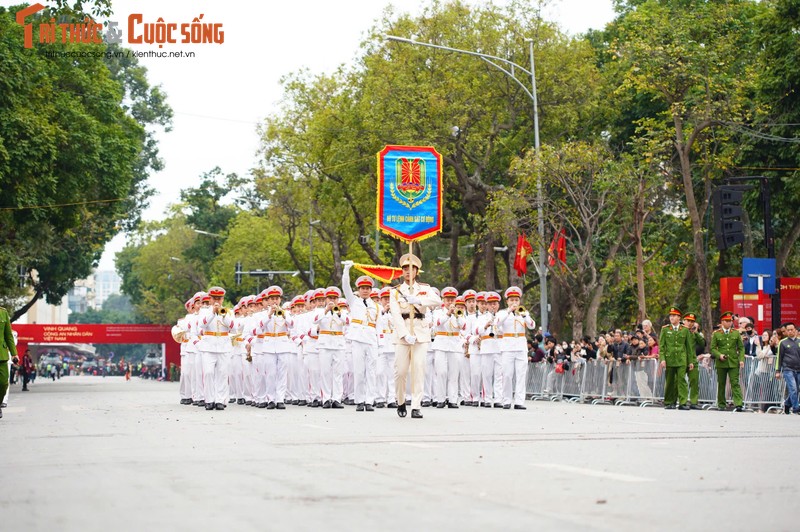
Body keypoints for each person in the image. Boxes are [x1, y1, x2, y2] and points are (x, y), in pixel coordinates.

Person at [389, 253, 442, 419]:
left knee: (419, 369)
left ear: (417, 271)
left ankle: (416, 405)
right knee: (401, 371)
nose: (407, 271)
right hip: (403, 333)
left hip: (420, 331)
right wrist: (405, 334)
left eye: (411, 269)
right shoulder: (396, 292)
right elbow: (396, 315)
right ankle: (400, 400)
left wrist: (418, 300)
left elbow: (437, 301)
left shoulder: (425, 289)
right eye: (405, 268)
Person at [341, 263, 381, 412]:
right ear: (358, 290)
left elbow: (379, 326)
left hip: (371, 340)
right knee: (358, 371)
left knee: (371, 372)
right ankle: (359, 400)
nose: (365, 290)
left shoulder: (376, 306)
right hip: (357, 339)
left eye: (367, 288)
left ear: (371, 290)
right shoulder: (354, 301)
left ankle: (369, 400)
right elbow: (345, 285)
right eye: (362, 288)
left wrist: (380, 344)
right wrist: (346, 270)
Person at [497, 287, 536, 409]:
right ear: (507, 301)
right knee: (507, 374)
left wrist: (525, 315)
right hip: (507, 346)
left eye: (516, 300)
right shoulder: (502, 313)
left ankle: (519, 401)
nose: (514, 302)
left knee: (521, 374)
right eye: (512, 300)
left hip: (520, 346)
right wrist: (509, 311)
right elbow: (497, 323)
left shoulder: (524, 312)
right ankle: (506, 400)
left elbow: (532, 326)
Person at [659, 307, 694, 410]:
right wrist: (663, 359)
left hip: (681, 359)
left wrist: (690, 361)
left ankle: (682, 402)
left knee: (681, 380)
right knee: (670, 381)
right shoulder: (665, 329)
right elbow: (662, 346)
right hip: (669, 359)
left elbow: (689, 347)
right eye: (670, 316)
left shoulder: (685, 330)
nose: (671, 317)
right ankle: (669, 402)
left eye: (674, 316)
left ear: (679, 317)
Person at [710, 311, 745, 412]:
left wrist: (741, 359)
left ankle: (738, 403)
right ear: (722, 322)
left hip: (733, 362)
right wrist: (719, 355)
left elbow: (741, 348)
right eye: (727, 321)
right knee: (721, 383)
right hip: (721, 362)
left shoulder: (735, 333)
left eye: (730, 321)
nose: (729, 323)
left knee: (735, 382)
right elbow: (712, 348)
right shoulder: (716, 334)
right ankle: (721, 404)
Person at [774, 322, 800, 415]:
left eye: (792, 330)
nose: (790, 332)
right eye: (788, 330)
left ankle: (787, 404)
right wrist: (778, 370)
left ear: (795, 330)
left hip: (798, 369)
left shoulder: (799, 341)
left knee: (797, 389)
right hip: (788, 369)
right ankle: (796, 407)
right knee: (793, 388)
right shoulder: (783, 342)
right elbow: (779, 357)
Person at [683, 313, 705, 410]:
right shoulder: (679, 331)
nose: (690, 323)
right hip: (682, 359)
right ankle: (681, 401)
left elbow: (702, 344)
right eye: (688, 321)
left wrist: (695, 332)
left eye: (692, 321)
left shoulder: (694, 333)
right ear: (684, 321)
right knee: (680, 381)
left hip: (693, 359)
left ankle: (693, 402)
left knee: (694, 381)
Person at [0, 306, 18, 419]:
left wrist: (14, 353)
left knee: (3, 383)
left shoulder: (3, 312)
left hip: (1, 355)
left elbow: (8, 336)